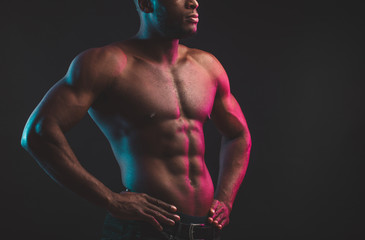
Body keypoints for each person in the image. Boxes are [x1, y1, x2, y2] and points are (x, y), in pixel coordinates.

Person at [21, 0, 251, 239]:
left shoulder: (208, 67)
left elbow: (238, 134)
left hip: (204, 229)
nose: (193, 2)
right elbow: (38, 132)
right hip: (143, 230)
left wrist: (225, 199)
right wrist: (109, 199)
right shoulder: (108, 64)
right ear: (146, 4)